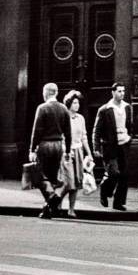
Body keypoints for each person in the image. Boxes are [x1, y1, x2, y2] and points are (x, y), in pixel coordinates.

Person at [29, 83, 72, 219]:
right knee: (52, 178)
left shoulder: (42, 108)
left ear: (46, 93)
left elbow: (36, 131)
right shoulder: (64, 108)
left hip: (45, 144)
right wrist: (67, 151)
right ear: (56, 93)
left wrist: (32, 149)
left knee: (41, 177)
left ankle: (53, 199)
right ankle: (47, 209)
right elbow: (68, 132)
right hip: (58, 145)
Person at [93, 82, 133, 211]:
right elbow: (97, 130)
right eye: (119, 91)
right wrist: (96, 147)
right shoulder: (105, 109)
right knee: (113, 173)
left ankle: (119, 202)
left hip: (124, 144)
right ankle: (105, 190)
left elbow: (130, 125)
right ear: (113, 92)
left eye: (123, 91)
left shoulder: (127, 107)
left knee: (125, 174)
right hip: (110, 146)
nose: (122, 94)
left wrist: (130, 137)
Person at [62, 90, 93, 218]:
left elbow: (84, 137)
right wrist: (66, 151)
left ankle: (71, 209)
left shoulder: (81, 118)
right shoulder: (63, 117)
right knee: (66, 181)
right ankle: (56, 204)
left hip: (78, 151)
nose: (77, 105)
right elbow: (61, 136)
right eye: (74, 103)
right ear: (69, 103)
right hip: (67, 152)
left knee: (76, 181)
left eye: (78, 103)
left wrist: (89, 153)